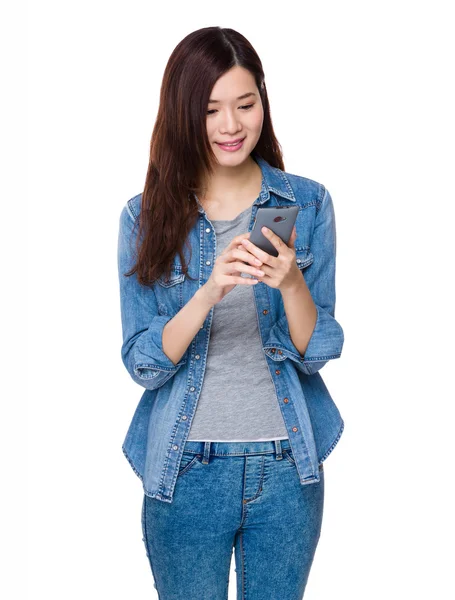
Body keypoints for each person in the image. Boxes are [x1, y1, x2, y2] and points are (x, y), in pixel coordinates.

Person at [117, 25, 345, 600]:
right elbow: (143, 364)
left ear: (262, 102)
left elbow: (317, 352)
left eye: (245, 104)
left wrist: (292, 284)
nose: (231, 125)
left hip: (287, 467)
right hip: (185, 469)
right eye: (211, 109)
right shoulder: (145, 217)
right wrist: (207, 291)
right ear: (182, 114)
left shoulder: (307, 203)